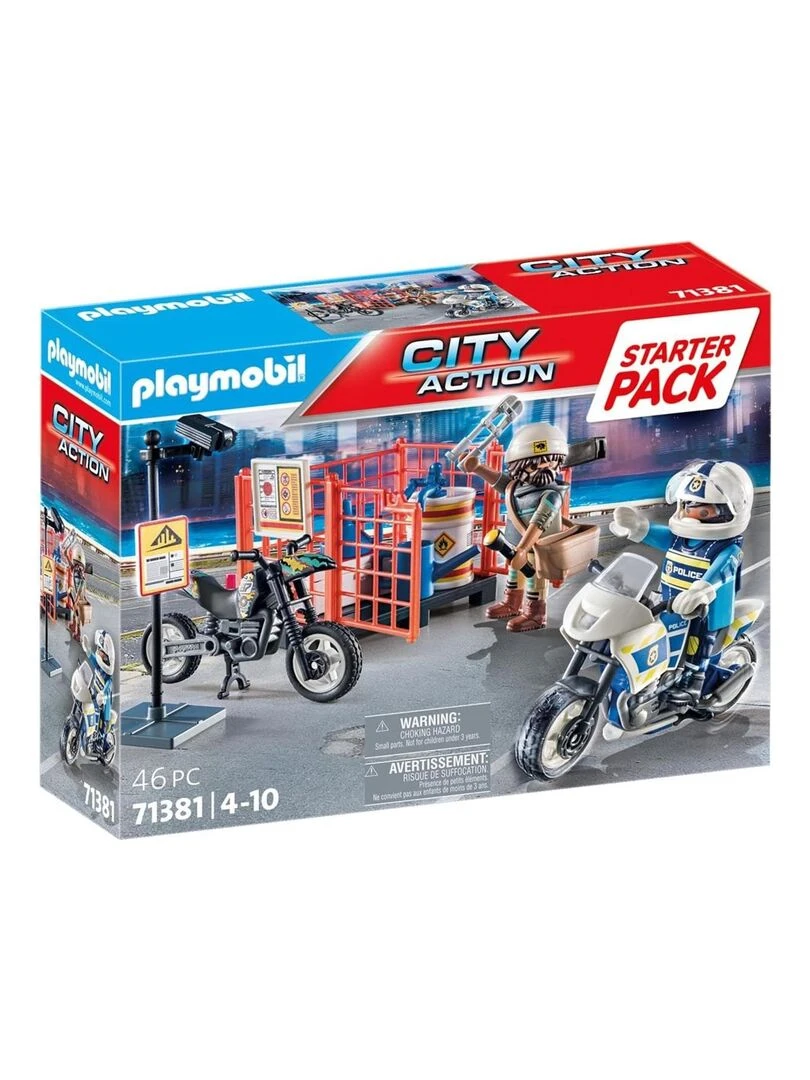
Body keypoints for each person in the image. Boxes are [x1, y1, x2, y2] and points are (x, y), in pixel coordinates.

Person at [611, 459, 754, 703]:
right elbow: (654, 533)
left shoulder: (728, 549)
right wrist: (637, 526)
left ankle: (695, 682)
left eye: (704, 512)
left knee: (699, 640)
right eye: (688, 507)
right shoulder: (679, 539)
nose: (692, 517)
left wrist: (701, 590)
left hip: (706, 610)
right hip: (669, 602)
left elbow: (722, 571)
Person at [463, 422, 569, 631]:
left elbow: (539, 522)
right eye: (535, 465)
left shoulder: (552, 495)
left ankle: (535, 613)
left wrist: (523, 549)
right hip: (515, 544)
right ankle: (512, 603)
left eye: (550, 462)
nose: (544, 468)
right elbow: (499, 481)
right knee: (514, 572)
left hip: (537, 547)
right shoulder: (517, 487)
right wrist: (477, 468)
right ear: (520, 466)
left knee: (534, 577)